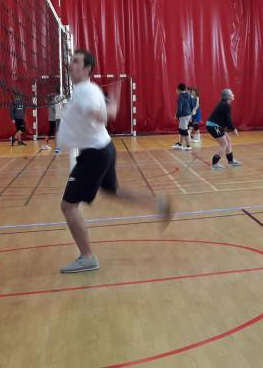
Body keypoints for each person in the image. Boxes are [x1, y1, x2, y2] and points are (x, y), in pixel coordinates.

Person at [57, 50, 171, 274]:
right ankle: (157, 204)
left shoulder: (85, 92)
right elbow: (102, 114)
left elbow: (100, 115)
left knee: (68, 206)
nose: (71, 66)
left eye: (76, 62)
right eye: (71, 62)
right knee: (113, 191)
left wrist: (109, 110)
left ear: (87, 68)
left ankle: (87, 257)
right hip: (104, 148)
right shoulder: (87, 89)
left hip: (94, 154)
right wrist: (113, 105)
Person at [206, 89, 241, 170]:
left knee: (228, 140)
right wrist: (233, 129)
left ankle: (230, 161)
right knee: (224, 144)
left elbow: (225, 119)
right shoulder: (226, 105)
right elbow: (228, 120)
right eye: (232, 93)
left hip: (217, 126)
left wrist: (231, 128)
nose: (233, 95)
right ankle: (215, 163)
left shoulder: (225, 104)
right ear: (228, 96)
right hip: (213, 126)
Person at [173, 83, 194, 151]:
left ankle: (188, 146)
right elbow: (192, 105)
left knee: (184, 130)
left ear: (178, 89)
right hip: (188, 114)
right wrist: (190, 114)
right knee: (181, 129)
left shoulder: (180, 97)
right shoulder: (189, 95)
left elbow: (180, 108)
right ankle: (180, 144)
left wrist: (177, 115)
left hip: (183, 115)